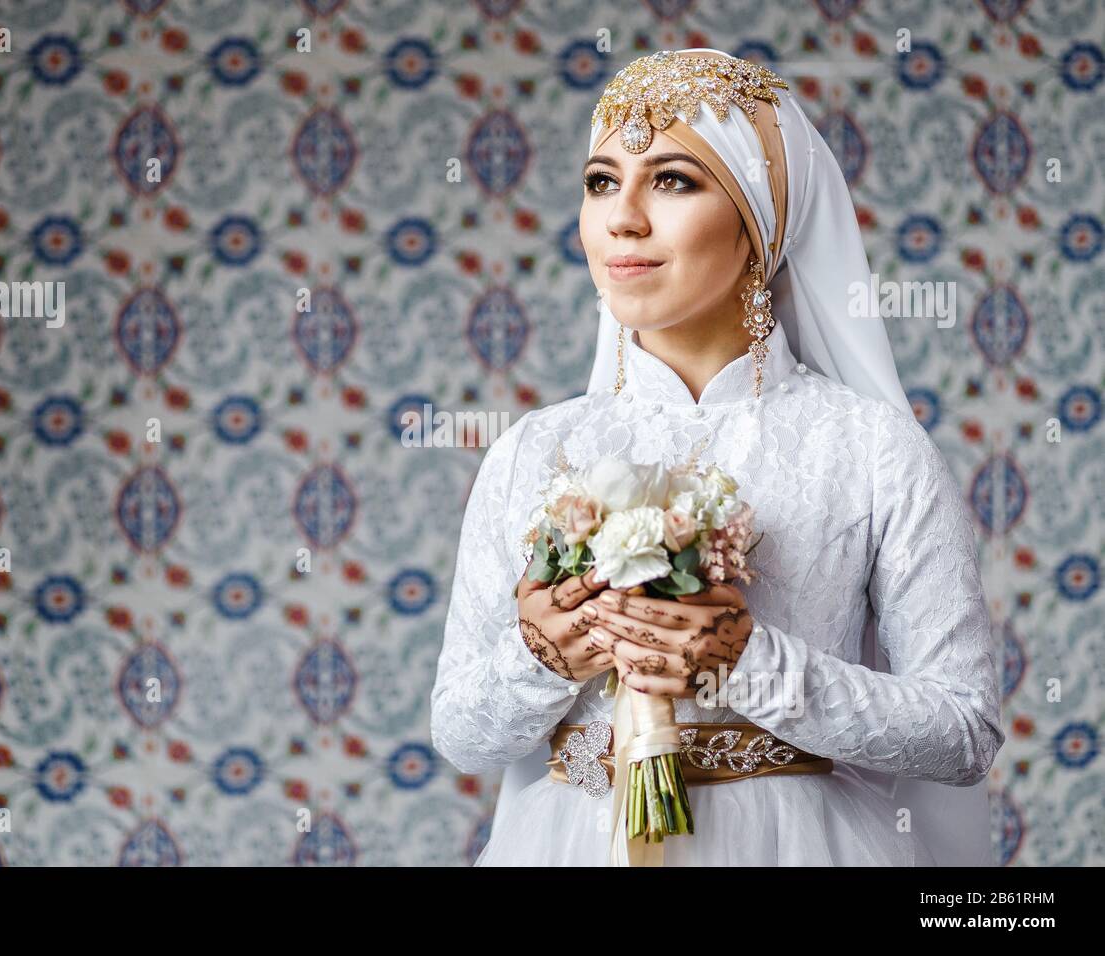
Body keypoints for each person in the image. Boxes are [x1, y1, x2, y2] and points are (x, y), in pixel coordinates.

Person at [429, 48, 1005, 866]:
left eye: (671, 181)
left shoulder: (872, 450)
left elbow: (963, 731)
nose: (622, 218)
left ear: (761, 219)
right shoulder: (533, 452)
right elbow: (461, 732)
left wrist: (747, 663)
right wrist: (546, 657)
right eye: (601, 181)